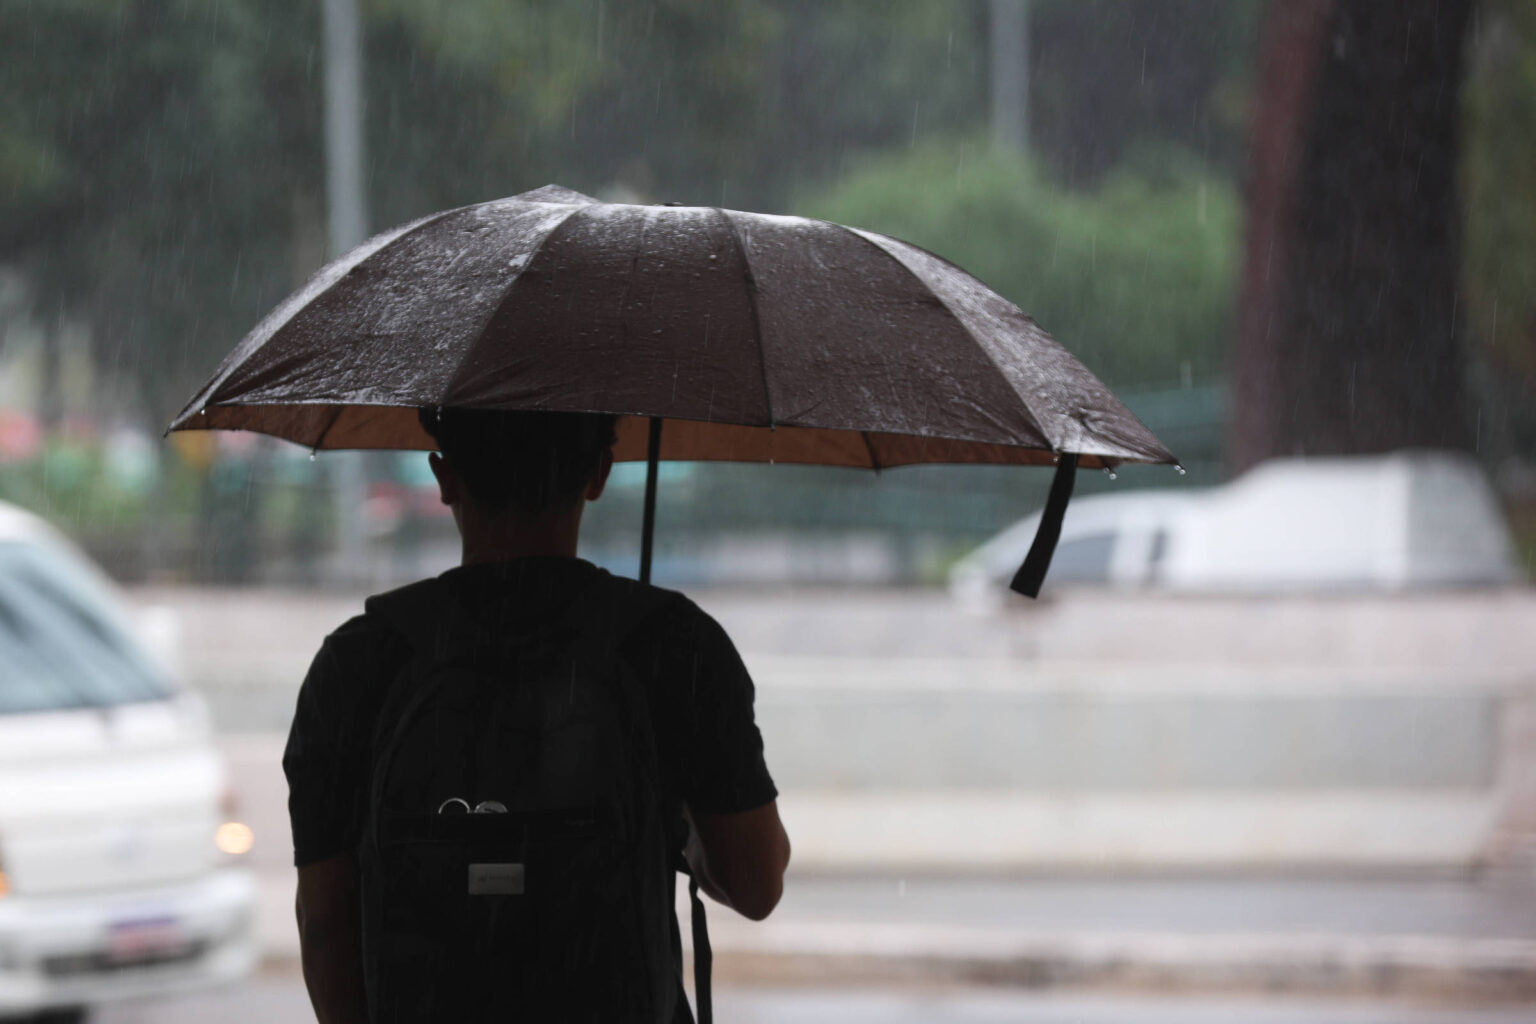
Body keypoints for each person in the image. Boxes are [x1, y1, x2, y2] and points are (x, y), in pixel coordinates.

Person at [283, 408, 790, 1024]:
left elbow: (325, 924)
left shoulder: (360, 661)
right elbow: (756, 884)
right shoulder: (673, 645)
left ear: (443, 476)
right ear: (599, 472)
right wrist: (676, 827)